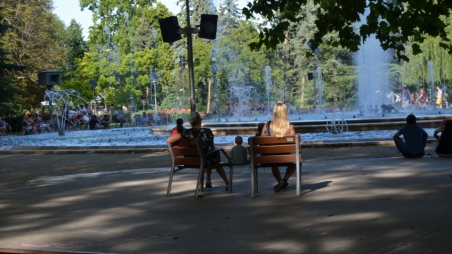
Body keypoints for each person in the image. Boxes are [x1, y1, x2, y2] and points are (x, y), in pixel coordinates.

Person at [166, 112, 230, 190]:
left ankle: (208, 181)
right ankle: (226, 183)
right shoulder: (207, 131)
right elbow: (212, 146)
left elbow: (169, 140)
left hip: (190, 160)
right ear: (199, 120)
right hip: (205, 160)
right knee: (212, 154)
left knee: (208, 154)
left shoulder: (186, 132)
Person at [260, 102, 297, 193]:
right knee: (295, 162)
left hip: (270, 158)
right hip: (286, 157)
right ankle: (284, 180)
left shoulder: (267, 125)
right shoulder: (290, 127)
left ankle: (280, 181)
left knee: (274, 163)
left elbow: (261, 141)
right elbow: (294, 145)